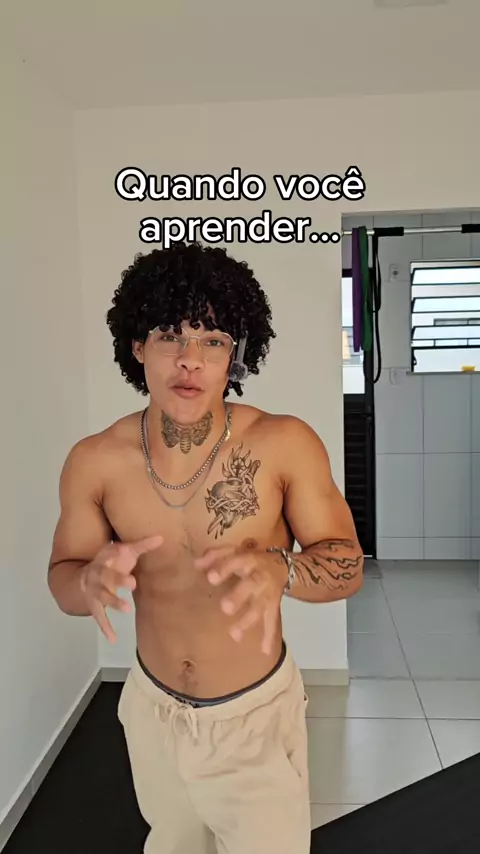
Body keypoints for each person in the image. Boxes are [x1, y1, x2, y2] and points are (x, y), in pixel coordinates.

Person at [47, 240, 364, 854]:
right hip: (153, 714)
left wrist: (283, 570)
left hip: (253, 719)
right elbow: (63, 576)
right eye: (170, 336)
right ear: (137, 346)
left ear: (234, 355)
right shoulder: (95, 461)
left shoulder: (284, 444)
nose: (190, 360)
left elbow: (348, 564)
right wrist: (86, 583)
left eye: (213, 341)